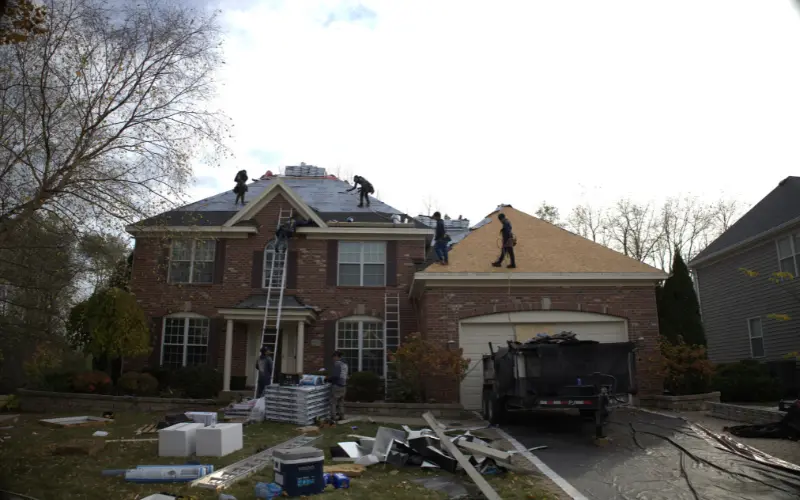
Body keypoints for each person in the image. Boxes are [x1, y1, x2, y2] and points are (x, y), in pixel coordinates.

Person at [327, 350, 348, 421]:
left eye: (333, 357)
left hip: (337, 385)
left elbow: (335, 376)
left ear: (336, 356)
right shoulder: (345, 364)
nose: (333, 359)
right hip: (343, 386)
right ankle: (342, 416)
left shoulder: (337, 364)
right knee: (341, 402)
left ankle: (333, 417)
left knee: (333, 402)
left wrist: (327, 379)